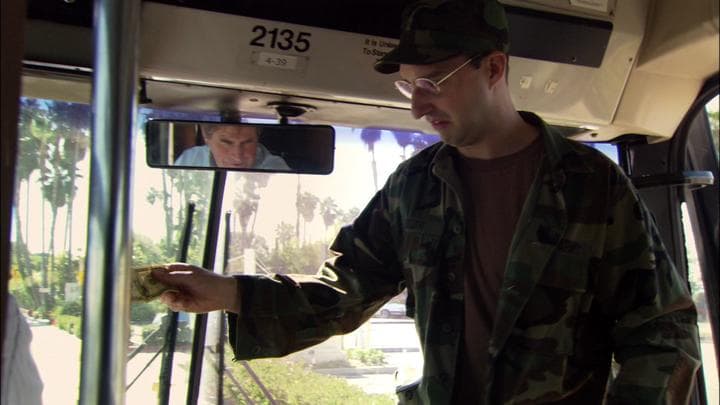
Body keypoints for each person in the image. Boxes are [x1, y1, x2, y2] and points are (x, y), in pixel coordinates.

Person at [152, 0, 701, 403]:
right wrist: (227, 291)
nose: (417, 106)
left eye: (433, 82)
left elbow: (660, 331)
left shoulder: (593, 186)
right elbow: (346, 292)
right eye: (408, 87)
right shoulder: (414, 187)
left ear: (494, 68)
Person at [174, 124, 290, 170]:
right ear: (206, 137)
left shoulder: (276, 170)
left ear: (257, 138)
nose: (237, 157)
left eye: (247, 142)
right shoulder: (190, 160)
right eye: (226, 142)